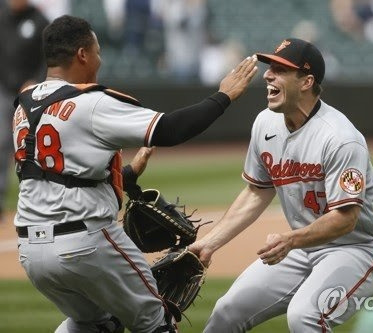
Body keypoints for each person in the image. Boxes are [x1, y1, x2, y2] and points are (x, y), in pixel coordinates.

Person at [12, 15, 257, 333]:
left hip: (32, 251)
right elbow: (169, 129)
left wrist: (125, 175)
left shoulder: (24, 104)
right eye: (97, 51)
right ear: (83, 55)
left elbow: (53, 174)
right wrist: (224, 96)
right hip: (85, 244)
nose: (100, 59)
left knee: (96, 323)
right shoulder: (90, 102)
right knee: (159, 323)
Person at [189, 38, 373, 332]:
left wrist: (291, 240)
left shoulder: (340, 138)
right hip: (302, 247)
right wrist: (209, 243)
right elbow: (257, 192)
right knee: (227, 311)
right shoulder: (265, 124)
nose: (268, 75)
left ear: (307, 81)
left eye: (281, 70)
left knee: (305, 316)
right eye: (270, 68)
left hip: (355, 249)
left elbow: (345, 220)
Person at [0, 0, 49, 223]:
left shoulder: (39, 20)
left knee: (35, 145)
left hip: (31, 95)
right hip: (3, 92)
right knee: (1, 143)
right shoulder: (1, 16)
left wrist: (35, 81)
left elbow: (50, 57)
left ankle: (39, 202)